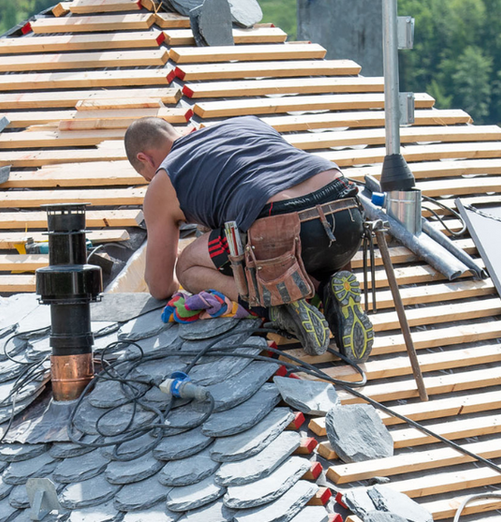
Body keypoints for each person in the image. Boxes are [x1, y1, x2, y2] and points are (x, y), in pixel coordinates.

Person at [125, 115, 374, 360]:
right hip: (346, 214)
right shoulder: (246, 123)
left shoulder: (164, 178)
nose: (151, 180)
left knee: (188, 266)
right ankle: (329, 289)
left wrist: (174, 265)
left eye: (146, 175)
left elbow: (159, 286)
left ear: (144, 159)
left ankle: (274, 303)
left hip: (281, 226)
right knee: (285, 245)